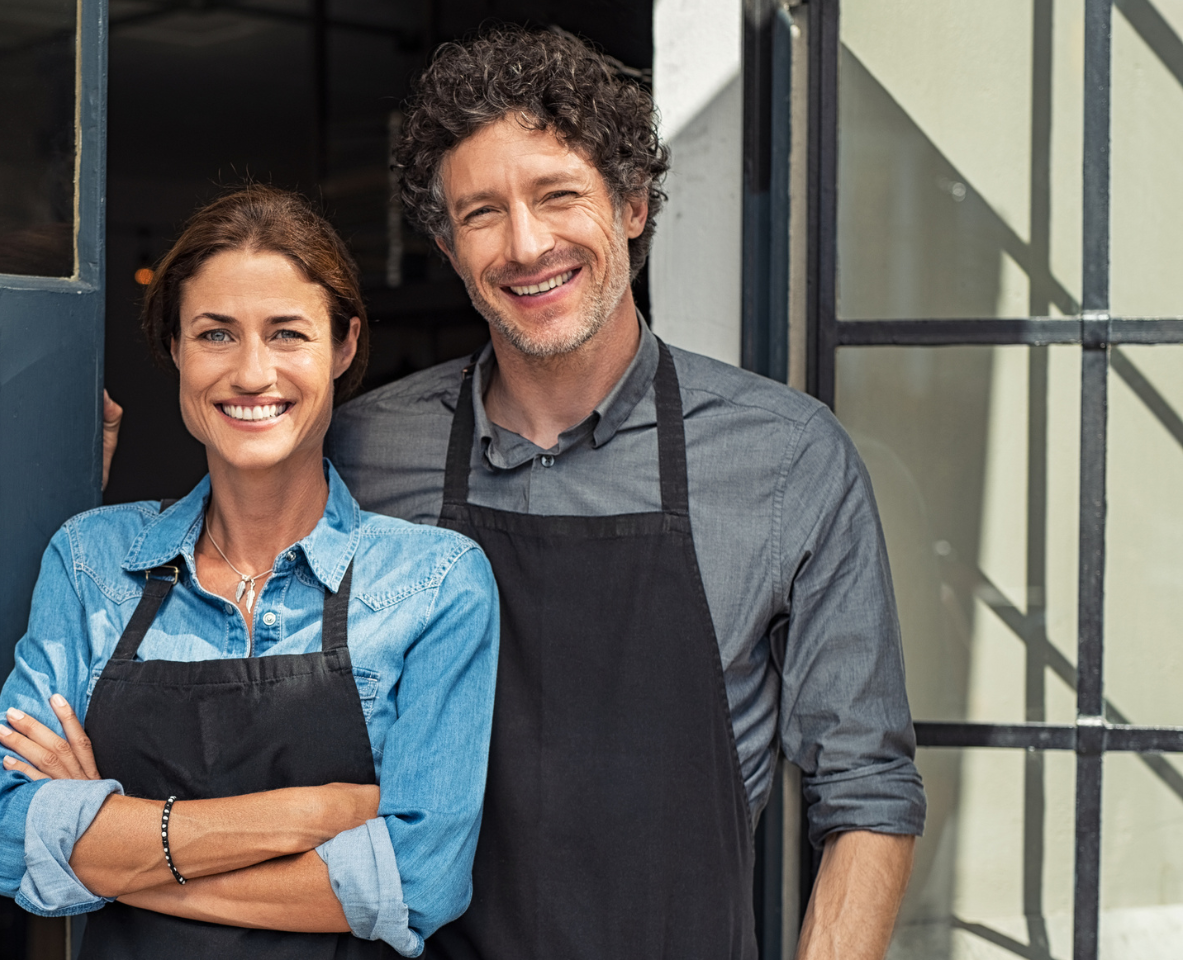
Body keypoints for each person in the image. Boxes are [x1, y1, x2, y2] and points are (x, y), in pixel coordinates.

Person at [326, 27, 925, 960]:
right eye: (482, 212)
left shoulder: (786, 458)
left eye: (559, 195)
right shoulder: (363, 450)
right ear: (447, 245)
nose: (527, 246)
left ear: (635, 203)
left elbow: (868, 794)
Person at [0, 185, 500, 959]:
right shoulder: (93, 562)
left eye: (288, 334)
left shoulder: (433, 584)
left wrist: (109, 854)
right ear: (175, 350)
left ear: (344, 346)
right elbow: (2, 831)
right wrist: (310, 816)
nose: (253, 373)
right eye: (216, 334)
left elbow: (418, 882)